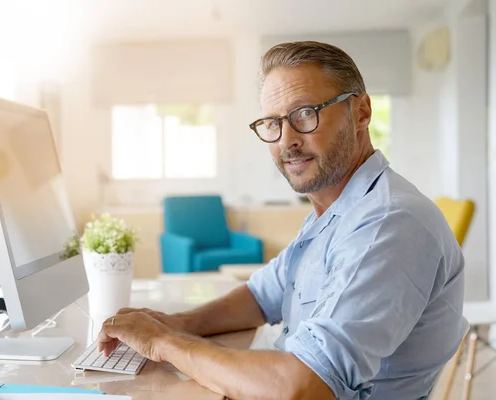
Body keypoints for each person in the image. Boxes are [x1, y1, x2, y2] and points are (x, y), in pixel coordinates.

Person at [97, 41, 467, 400]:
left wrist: (164, 343)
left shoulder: (388, 222)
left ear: (361, 113)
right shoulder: (334, 211)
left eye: (305, 113)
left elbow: (303, 387)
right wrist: (177, 323)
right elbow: (261, 296)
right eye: (272, 123)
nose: (286, 140)